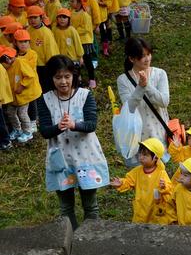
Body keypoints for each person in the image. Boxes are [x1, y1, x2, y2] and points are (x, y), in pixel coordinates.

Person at [37, 55, 109, 229]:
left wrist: (74, 125)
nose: (63, 81)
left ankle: (91, 241)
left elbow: (91, 124)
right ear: (51, 78)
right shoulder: (45, 99)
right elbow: (45, 131)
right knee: (66, 207)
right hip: (61, 161)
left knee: (90, 205)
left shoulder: (85, 96)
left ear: (74, 76)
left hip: (86, 158)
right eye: (58, 77)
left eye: (67, 76)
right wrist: (58, 127)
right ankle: (70, 241)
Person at [117, 37, 170, 166]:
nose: (147, 59)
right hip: (136, 136)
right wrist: (140, 87)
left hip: (158, 132)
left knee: (160, 177)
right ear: (131, 59)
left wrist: (147, 85)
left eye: (149, 54)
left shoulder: (160, 74)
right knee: (140, 179)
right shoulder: (123, 80)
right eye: (142, 56)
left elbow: (164, 101)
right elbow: (129, 107)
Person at [110, 137, 174, 224]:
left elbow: (170, 188)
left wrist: (164, 186)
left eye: (145, 155)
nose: (141, 157)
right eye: (140, 154)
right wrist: (121, 183)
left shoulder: (161, 173)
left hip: (154, 207)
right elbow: (129, 181)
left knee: (154, 227)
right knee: (140, 226)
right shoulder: (137, 171)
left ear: (155, 157)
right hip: (141, 207)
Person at [1, 44, 41, 143]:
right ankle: (17, 129)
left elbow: (30, 76)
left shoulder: (20, 62)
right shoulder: (6, 67)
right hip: (13, 97)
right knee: (10, 113)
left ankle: (28, 132)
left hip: (22, 95)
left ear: (8, 58)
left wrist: (22, 86)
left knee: (22, 114)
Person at [26, 5, 59, 92]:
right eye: (30, 18)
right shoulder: (28, 30)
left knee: (45, 87)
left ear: (41, 18)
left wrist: (50, 64)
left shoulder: (46, 32)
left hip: (44, 65)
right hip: (32, 64)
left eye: (35, 17)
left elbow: (50, 50)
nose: (32, 20)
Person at [69, 0, 96, 89]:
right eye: (71, 1)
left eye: (73, 1)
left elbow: (86, 28)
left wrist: (73, 30)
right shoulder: (71, 12)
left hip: (85, 41)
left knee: (87, 60)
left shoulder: (85, 15)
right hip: (76, 41)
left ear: (80, 3)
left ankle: (92, 79)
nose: (71, 3)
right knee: (76, 60)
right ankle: (78, 78)